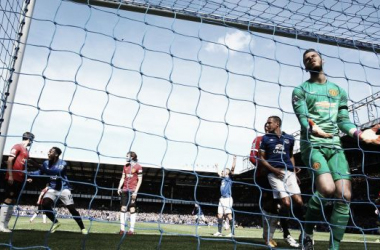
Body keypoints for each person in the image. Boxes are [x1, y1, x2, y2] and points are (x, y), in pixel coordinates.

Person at [292, 48, 380, 250]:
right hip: (313, 145)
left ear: (322, 59)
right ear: (305, 66)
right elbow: (303, 117)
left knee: (345, 196)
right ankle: (307, 230)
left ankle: (334, 247)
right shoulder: (300, 91)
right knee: (327, 189)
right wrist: (314, 128)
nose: (311, 59)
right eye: (307, 59)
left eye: (313, 56)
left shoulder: (338, 91)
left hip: (335, 146)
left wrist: (359, 134)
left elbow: (343, 121)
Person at [251, 123, 299, 248]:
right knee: (270, 206)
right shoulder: (259, 140)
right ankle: (269, 236)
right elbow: (252, 157)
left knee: (281, 205)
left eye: (269, 125)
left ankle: (284, 234)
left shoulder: (283, 140)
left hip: (280, 174)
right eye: (265, 125)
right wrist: (268, 166)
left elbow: (288, 156)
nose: (267, 127)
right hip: (263, 176)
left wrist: (291, 169)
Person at [28, 147, 87, 234]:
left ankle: (82, 228)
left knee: (72, 209)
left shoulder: (63, 163)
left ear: (56, 154)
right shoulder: (45, 163)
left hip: (64, 188)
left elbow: (54, 172)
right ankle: (56, 222)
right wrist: (28, 174)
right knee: (44, 204)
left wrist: (34, 163)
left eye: (50, 151)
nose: (48, 153)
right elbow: (40, 172)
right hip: (52, 188)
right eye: (48, 151)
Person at [0, 132, 34, 232]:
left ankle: (5, 225)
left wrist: (25, 177)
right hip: (12, 177)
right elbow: (10, 160)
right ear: (29, 139)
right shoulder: (17, 146)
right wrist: (10, 175)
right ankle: (1, 224)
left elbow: (23, 166)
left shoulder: (27, 151)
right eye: (32, 140)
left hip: (20, 179)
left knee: (13, 201)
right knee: (8, 199)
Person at [117, 151, 143, 235]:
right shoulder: (125, 166)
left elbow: (140, 180)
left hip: (132, 191)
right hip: (125, 190)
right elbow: (122, 178)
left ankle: (131, 230)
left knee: (132, 209)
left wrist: (135, 192)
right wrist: (119, 187)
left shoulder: (138, 167)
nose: (126, 157)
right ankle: (122, 230)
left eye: (127, 156)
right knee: (123, 208)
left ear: (132, 157)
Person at [213, 155, 236, 237]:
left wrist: (234, 159)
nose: (222, 171)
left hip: (228, 199)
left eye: (224, 171)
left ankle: (232, 233)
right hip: (222, 199)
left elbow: (233, 168)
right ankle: (219, 232)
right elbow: (219, 173)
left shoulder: (229, 178)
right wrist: (216, 167)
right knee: (219, 215)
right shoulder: (222, 179)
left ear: (227, 172)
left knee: (229, 215)